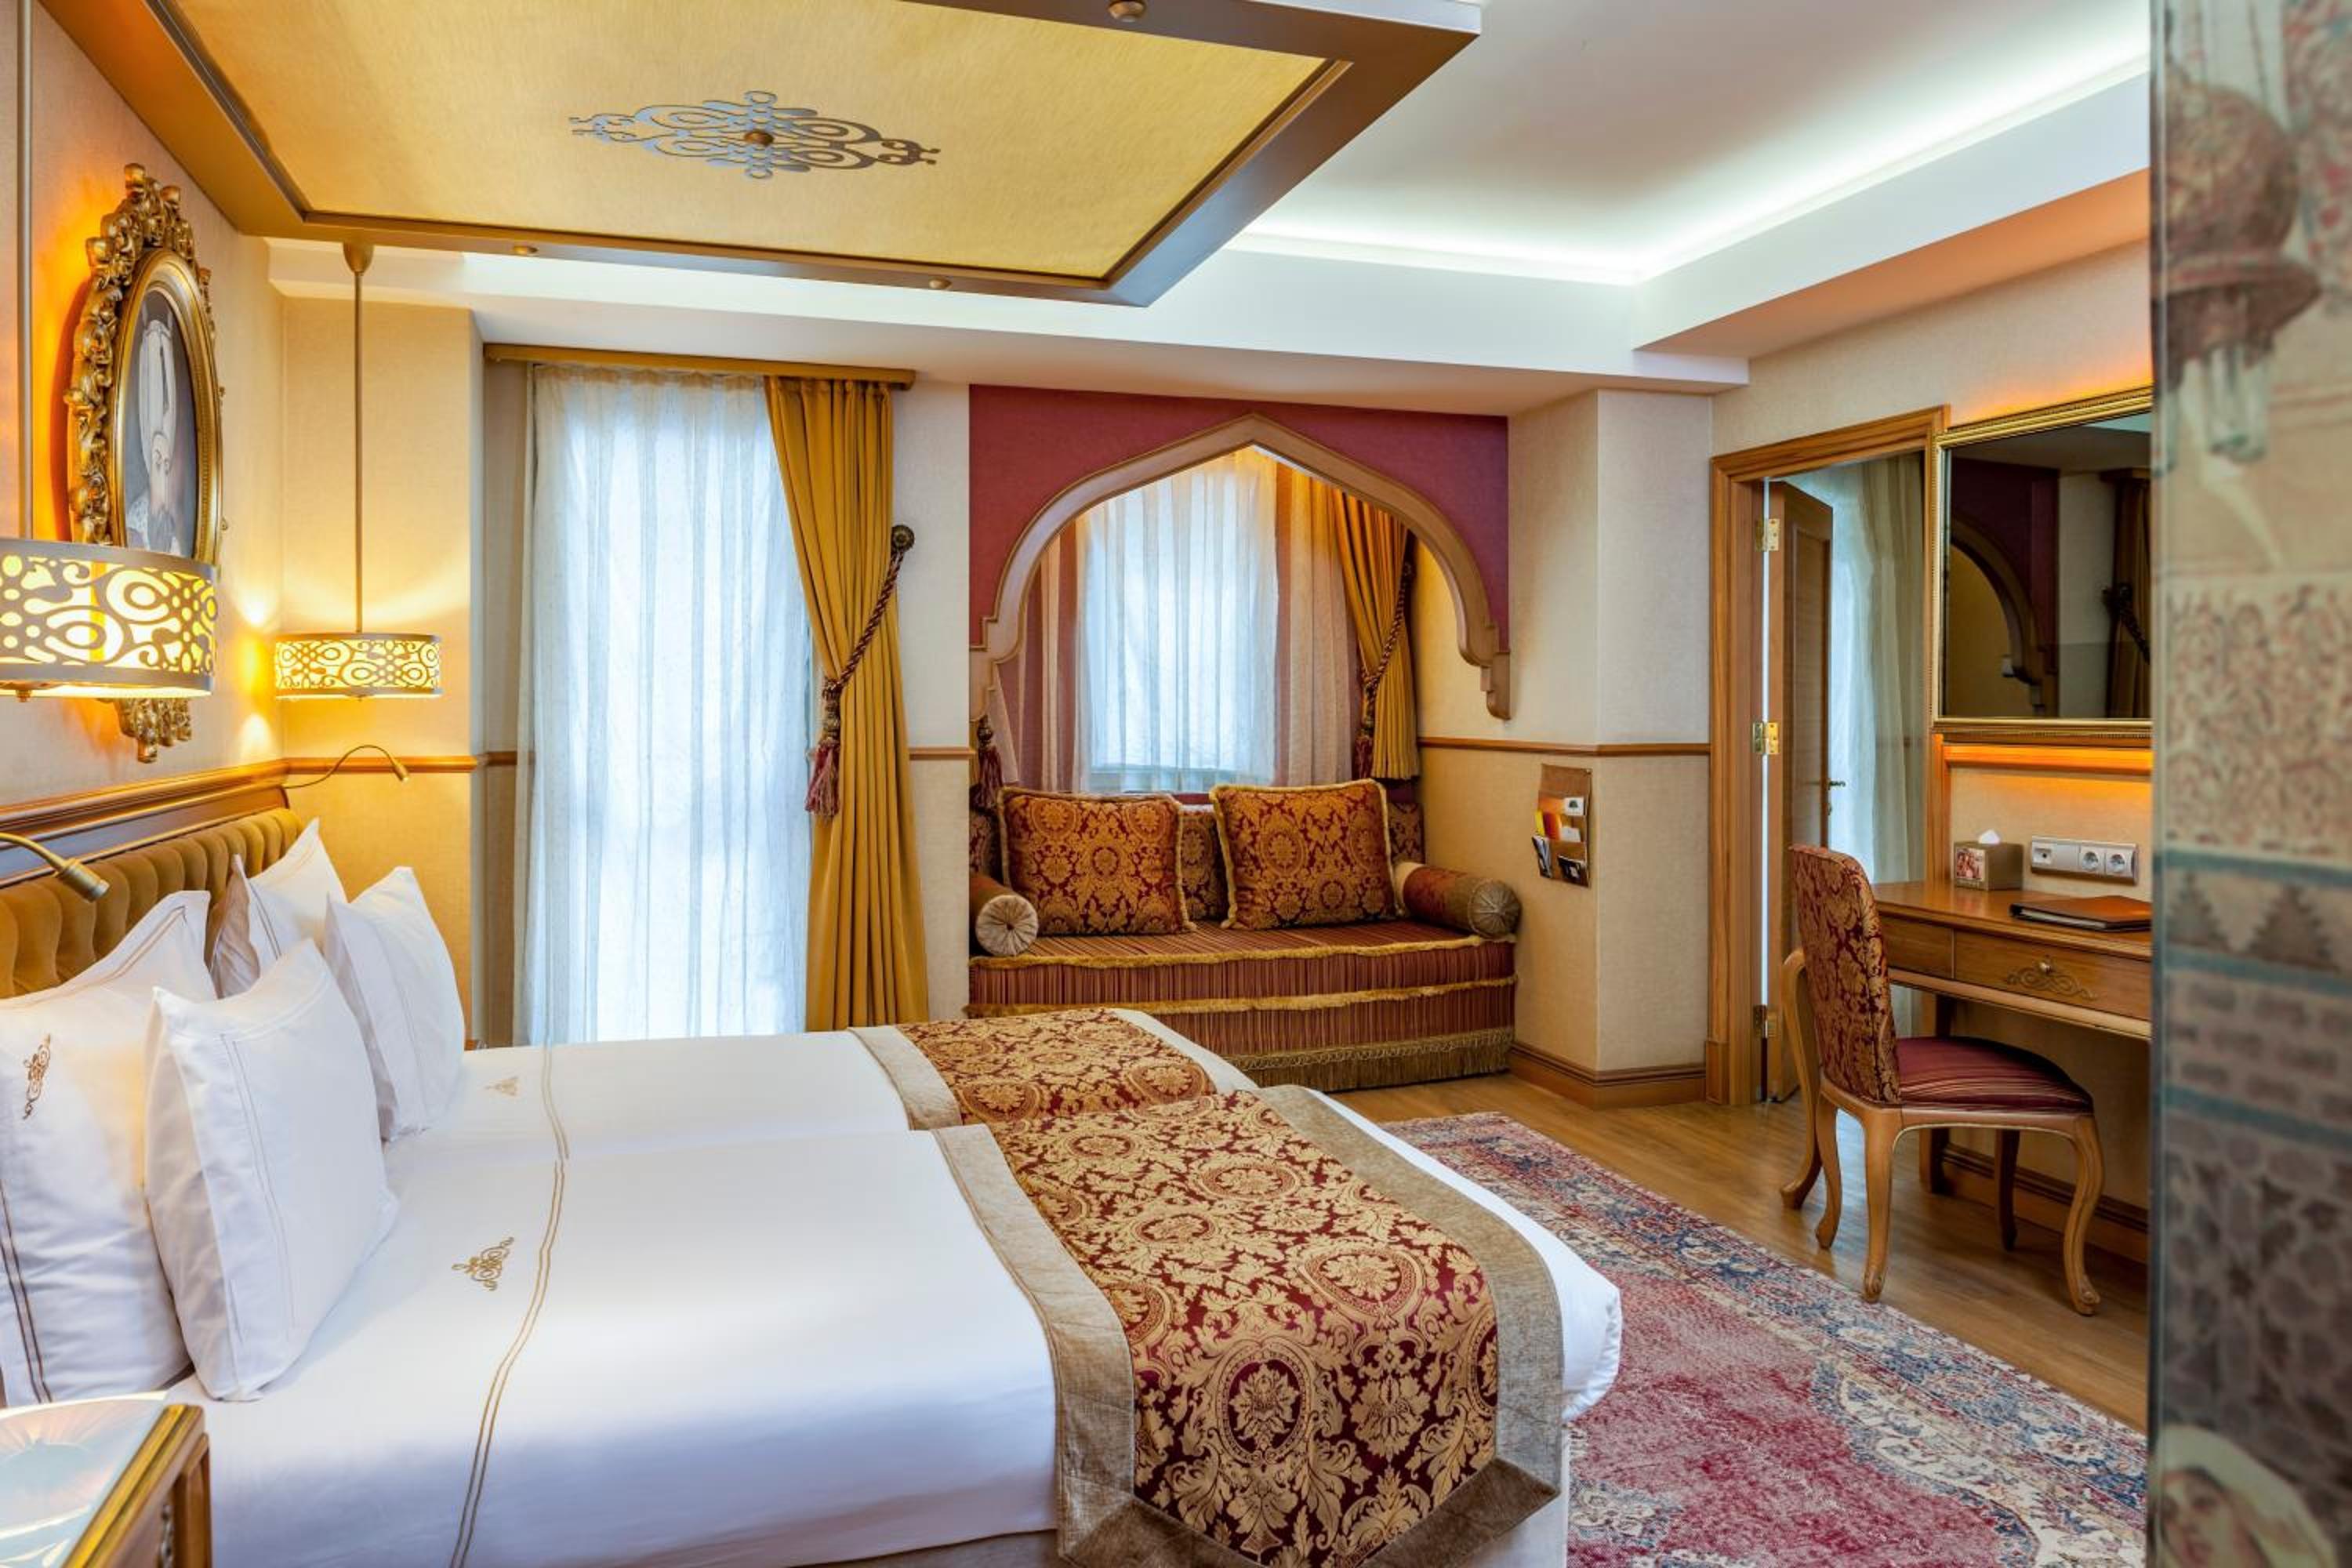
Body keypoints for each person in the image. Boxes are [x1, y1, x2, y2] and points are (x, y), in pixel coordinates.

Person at [122, 313, 186, 554]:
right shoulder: (136, 521)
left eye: (165, 463)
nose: (164, 470)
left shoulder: (168, 522)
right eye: (159, 461)